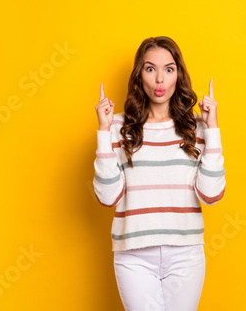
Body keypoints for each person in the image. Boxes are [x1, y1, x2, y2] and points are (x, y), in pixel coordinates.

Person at [93, 36, 226, 311]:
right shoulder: (119, 127)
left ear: (178, 74)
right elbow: (107, 197)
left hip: (186, 255)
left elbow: (211, 195)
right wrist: (103, 133)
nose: (159, 80)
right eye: (150, 68)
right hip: (134, 256)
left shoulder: (196, 128)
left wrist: (212, 129)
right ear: (139, 75)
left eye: (169, 68)